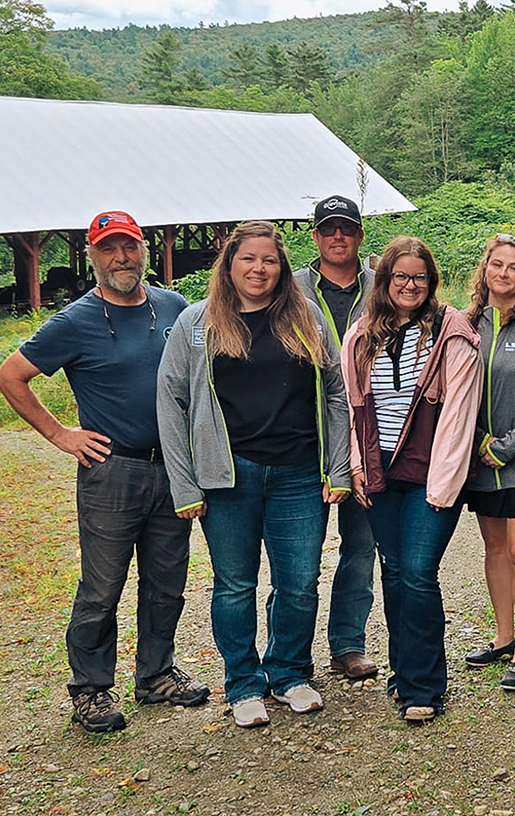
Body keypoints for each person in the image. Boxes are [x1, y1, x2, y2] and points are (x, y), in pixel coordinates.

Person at [0, 210, 209, 734]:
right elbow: (10, 376)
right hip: (111, 472)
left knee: (167, 582)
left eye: (129, 246)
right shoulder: (74, 321)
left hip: (174, 470)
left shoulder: (174, 307)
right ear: (92, 257)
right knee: (102, 586)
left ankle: (155, 675)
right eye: (109, 249)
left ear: (144, 251)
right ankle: (90, 690)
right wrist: (61, 435)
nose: (121, 258)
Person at [157, 221, 350, 729]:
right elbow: (172, 403)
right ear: (229, 264)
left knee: (300, 582)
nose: (258, 269)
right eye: (248, 259)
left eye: (269, 260)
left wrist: (338, 465)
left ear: (282, 266)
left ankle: (287, 673)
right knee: (235, 585)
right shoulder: (197, 324)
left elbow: (335, 391)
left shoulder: (304, 316)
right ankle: (242, 683)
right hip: (228, 477)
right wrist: (184, 484)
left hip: (299, 473)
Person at [343, 236, 482, 722]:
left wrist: (443, 487)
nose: (409, 285)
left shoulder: (452, 333)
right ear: (384, 282)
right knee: (395, 572)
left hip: (430, 475)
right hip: (381, 472)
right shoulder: (362, 334)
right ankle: (403, 673)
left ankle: (425, 686)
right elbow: (354, 408)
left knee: (420, 574)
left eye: (418, 277)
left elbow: (460, 415)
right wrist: (357, 466)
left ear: (431, 281)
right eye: (399, 276)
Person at [293, 194, 380, 682]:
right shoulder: (291, 289)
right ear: (316, 236)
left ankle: (348, 644)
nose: (338, 236)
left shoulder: (382, 288)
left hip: (369, 436)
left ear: (359, 234)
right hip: (306, 436)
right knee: (298, 558)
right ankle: (291, 655)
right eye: (328, 229)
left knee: (360, 547)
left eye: (346, 227)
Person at [462, 233, 515, 690]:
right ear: (485, 269)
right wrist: (477, 440)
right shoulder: (466, 323)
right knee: (494, 550)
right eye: (497, 264)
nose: (504, 274)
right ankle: (501, 636)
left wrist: (509, 444)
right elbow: (453, 391)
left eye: (514, 267)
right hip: (478, 459)